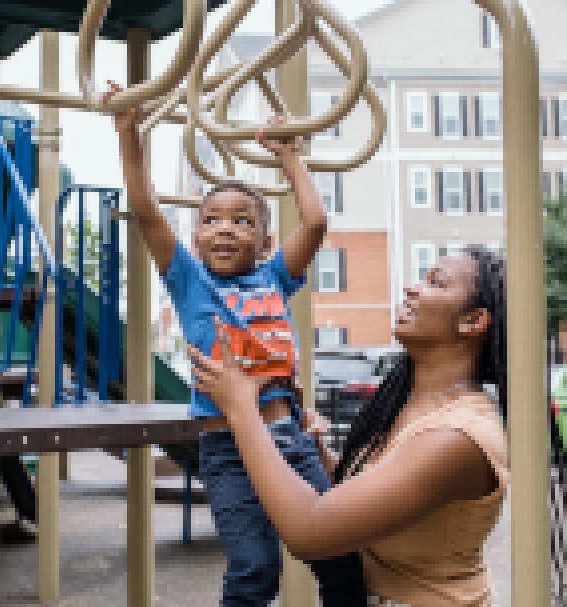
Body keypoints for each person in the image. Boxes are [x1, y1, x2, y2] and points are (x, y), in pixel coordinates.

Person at [105, 82, 366, 607]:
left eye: (242, 222)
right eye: (212, 221)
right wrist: (130, 133)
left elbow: (314, 222)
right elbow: (147, 208)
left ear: (265, 242)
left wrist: (290, 158)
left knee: (340, 557)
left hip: (287, 439)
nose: (224, 230)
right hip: (226, 450)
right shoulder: (189, 281)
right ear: (197, 238)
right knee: (255, 571)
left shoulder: (274, 277)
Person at [190, 248, 510, 606]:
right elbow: (364, 496)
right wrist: (313, 451)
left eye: (435, 282)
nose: (412, 289)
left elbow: (309, 531)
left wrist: (241, 409)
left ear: (473, 321)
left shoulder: (456, 438)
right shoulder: (409, 405)